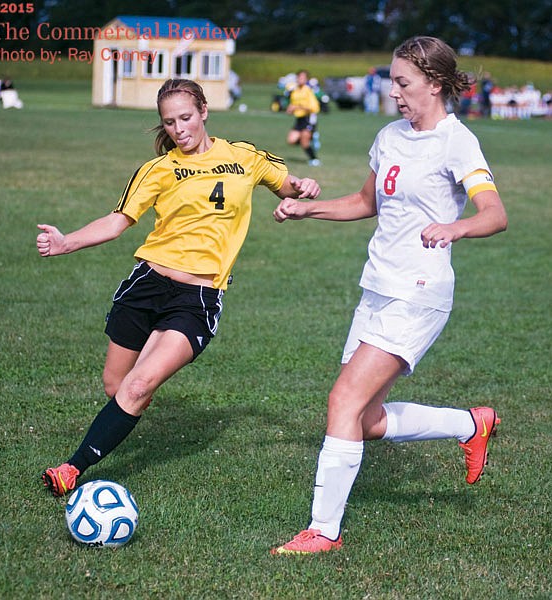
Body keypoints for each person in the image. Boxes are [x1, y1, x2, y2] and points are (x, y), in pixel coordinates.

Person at [271, 36, 508, 555]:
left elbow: (495, 214)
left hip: (418, 294)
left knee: (343, 401)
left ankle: (323, 532)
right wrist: (308, 210)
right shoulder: (389, 136)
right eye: (392, 82)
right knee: (366, 419)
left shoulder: (456, 141)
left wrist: (455, 227)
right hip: (376, 287)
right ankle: (472, 424)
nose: (394, 93)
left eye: (403, 83)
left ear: (436, 83)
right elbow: (365, 201)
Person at [37, 78, 320, 497]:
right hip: (146, 285)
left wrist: (306, 188)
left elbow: (290, 185)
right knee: (117, 387)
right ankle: (126, 413)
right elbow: (117, 222)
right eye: (169, 122)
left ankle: (71, 469)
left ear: (204, 111)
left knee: (138, 385)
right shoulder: (158, 169)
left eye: (185, 118)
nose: (178, 129)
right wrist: (67, 242)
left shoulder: (244, 156)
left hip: (197, 298)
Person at [286, 70, 321, 166]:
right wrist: (290, 109)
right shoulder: (295, 91)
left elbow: (315, 108)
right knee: (291, 140)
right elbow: (292, 105)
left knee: (304, 142)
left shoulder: (308, 90)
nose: (300, 79)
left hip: (308, 119)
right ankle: (312, 138)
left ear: (306, 79)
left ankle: (314, 159)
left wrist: (298, 107)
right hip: (299, 119)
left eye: (303, 78)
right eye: (299, 77)